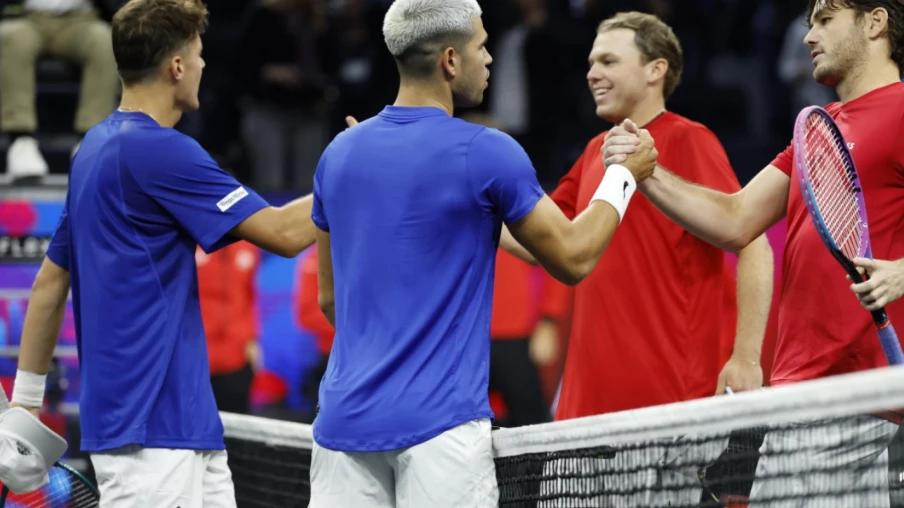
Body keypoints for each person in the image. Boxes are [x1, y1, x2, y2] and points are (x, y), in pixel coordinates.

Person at [309, 0, 658, 506]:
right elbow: (574, 257)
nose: (490, 58)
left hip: (342, 425)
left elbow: (329, 300)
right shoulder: (486, 150)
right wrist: (624, 176)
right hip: (440, 431)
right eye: (482, 46)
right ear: (451, 60)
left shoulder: (338, 153)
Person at [10, 0, 318, 505]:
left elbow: (49, 283)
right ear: (176, 66)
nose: (202, 65)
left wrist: (24, 403)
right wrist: (349, 168)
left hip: (185, 427)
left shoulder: (94, 150)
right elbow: (285, 233)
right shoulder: (160, 150)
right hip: (148, 441)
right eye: (197, 54)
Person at [604, 0, 904, 504]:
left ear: (875, 22)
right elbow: (735, 218)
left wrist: (901, 272)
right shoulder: (818, 129)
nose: (808, 37)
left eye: (825, 20)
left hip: (847, 389)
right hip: (812, 388)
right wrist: (645, 171)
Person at [545, 11, 773, 423]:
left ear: (656, 70)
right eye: (592, 63)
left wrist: (746, 357)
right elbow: (543, 238)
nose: (592, 74)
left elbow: (753, 242)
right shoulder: (595, 150)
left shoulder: (689, 139)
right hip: (585, 410)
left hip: (669, 405)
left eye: (609, 61)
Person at [0, 0, 119, 181]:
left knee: (104, 41)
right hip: (28, 18)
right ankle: (20, 141)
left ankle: (90, 145)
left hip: (81, 20)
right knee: (12, 38)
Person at [197, 241, 262, 415]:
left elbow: (249, 295)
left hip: (236, 355)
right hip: (195, 351)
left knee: (236, 420)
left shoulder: (248, 246)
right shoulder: (188, 242)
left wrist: (251, 339)